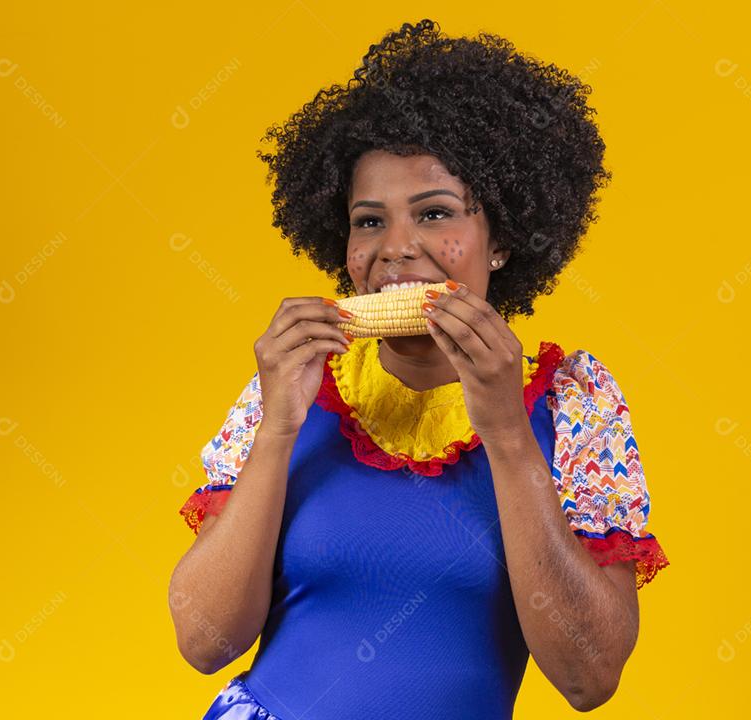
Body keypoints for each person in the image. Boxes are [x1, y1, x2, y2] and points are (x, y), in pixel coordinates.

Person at [168, 18, 669, 719]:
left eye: (435, 214)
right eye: (368, 221)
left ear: (503, 241)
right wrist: (278, 429)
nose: (396, 248)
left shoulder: (573, 405)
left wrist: (506, 431)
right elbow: (204, 641)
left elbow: (589, 679)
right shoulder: (294, 387)